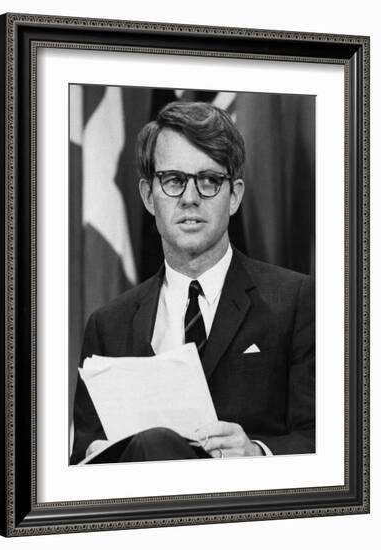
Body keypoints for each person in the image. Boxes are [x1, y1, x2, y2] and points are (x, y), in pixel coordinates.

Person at [70, 101, 315, 465]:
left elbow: (331, 440)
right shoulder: (108, 325)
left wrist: (257, 453)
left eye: (209, 181)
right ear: (148, 196)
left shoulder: (297, 299)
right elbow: (81, 462)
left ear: (234, 195)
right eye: (173, 180)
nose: (189, 198)